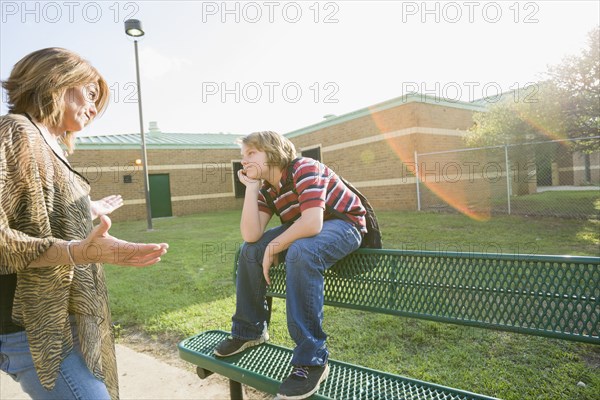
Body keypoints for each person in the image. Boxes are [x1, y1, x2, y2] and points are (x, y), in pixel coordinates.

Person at [0, 48, 169, 400]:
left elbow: (37, 213)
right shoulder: (14, 131)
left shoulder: (51, 146)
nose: (94, 108)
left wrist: (86, 212)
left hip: (64, 317)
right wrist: (77, 251)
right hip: (33, 327)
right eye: (90, 94)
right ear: (56, 80)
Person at [214, 131, 366, 399]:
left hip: (344, 224)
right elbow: (251, 236)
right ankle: (249, 330)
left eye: (251, 154)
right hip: (306, 228)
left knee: (299, 251)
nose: (243, 161)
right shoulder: (267, 189)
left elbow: (312, 223)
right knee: (249, 251)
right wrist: (251, 189)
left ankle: (312, 360)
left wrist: (275, 246)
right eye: (242, 156)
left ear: (272, 152)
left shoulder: (305, 168)